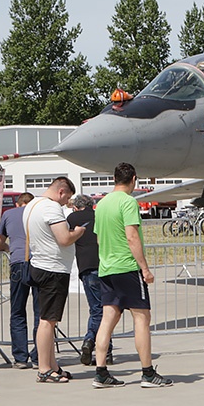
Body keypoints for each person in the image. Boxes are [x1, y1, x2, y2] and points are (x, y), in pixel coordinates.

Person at [92, 163, 172, 388]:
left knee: (108, 319)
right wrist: (144, 268)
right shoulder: (128, 203)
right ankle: (147, 372)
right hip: (126, 267)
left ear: (115, 178)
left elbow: (98, 239)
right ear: (133, 179)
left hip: (106, 267)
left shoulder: (102, 203)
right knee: (142, 318)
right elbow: (132, 237)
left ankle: (101, 371)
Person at [23, 177, 84, 383]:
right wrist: (77, 232)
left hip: (39, 265)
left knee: (47, 319)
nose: (66, 202)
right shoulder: (51, 208)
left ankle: (52, 365)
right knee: (47, 321)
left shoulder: (32, 205)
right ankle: (44, 368)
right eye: (67, 198)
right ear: (61, 191)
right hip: (53, 269)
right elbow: (64, 239)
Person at [66, 194, 112, 366]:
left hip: (86, 267)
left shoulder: (72, 218)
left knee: (96, 309)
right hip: (105, 265)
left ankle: (90, 340)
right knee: (107, 309)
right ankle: (105, 350)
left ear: (76, 207)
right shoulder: (99, 215)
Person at [0, 192, 39, 369]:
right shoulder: (38, 213)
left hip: (18, 263)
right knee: (41, 311)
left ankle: (20, 357)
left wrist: (10, 248)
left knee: (18, 310)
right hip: (38, 263)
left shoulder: (9, 214)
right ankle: (39, 356)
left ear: (18, 203)